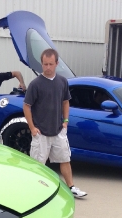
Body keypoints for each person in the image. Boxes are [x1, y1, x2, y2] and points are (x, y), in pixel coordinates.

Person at [23, 49, 86, 198]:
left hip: (58, 130)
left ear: (57, 63)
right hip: (41, 132)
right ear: (42, 64)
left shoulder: (62, 81)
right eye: (45, 64)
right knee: (38, 164)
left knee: (65, 159)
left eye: (51, 64)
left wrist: (65, 122)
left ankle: (71, 187)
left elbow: (65, 102)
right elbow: (27, 106)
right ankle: (34, 192)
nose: (48, 67)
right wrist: (32, 128)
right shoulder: (35, 84)